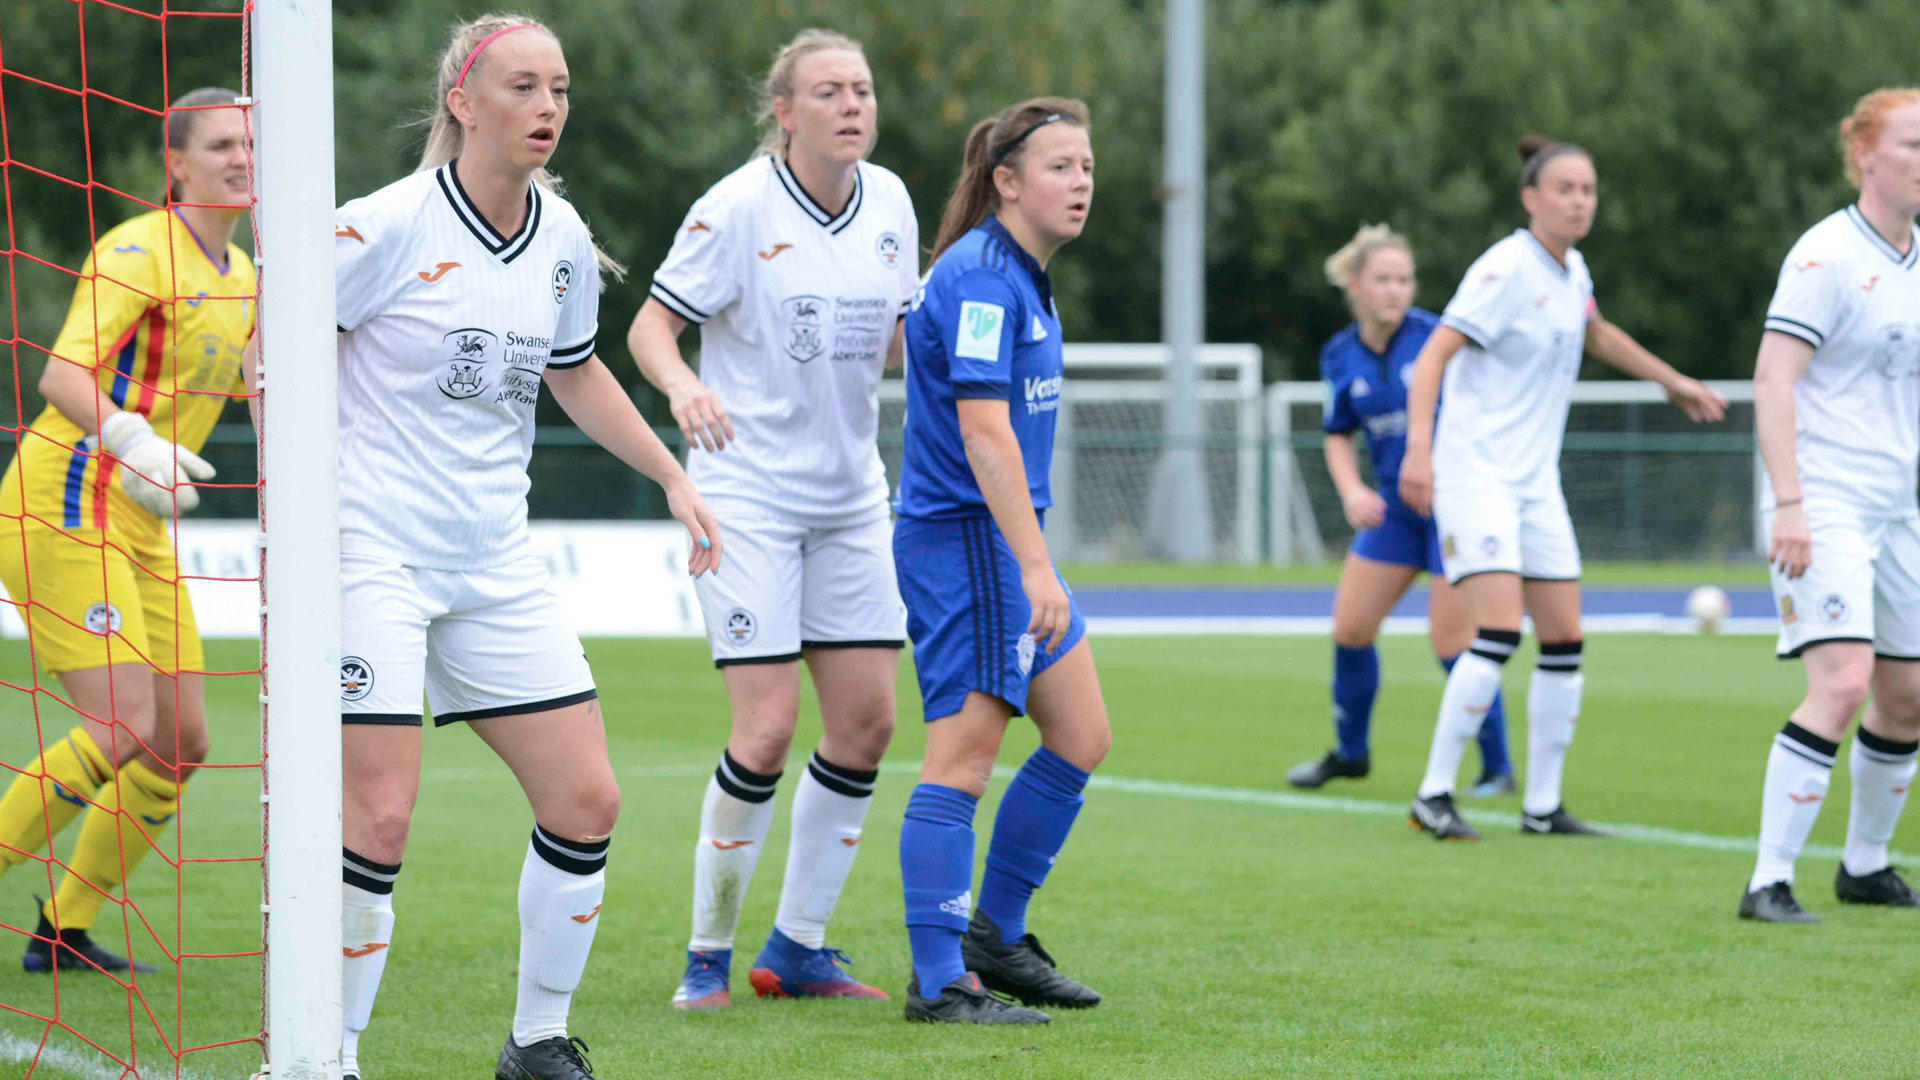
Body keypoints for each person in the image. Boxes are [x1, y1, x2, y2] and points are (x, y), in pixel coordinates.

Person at [291, 16, 721, 1079]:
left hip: (495, 561)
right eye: (523, 86)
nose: (546, 107)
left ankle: (535, 1044)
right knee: (380, 812)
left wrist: (671, 475)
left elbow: (576, 373)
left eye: (560, 89)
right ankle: (334, 1056)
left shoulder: (562, 237)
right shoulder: (380, 226)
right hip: (369, 552)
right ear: (463, 102)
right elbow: (279, 349)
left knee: (587, 799)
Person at [629, 28, 918, 1010]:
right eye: (829, 90)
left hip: (850, 501)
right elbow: (649, 327)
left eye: (863, 90)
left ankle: (798, 948)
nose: (853, 105)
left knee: (869, 723)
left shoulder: (890, 202)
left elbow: (891, 344)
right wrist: (681, 389)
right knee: (765, 729)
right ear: (784, 111)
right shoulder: (737, 207)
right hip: (746, 498)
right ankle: (705, 955)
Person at [1398, 134, 1726, 841]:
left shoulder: (1570, 270)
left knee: (1564, 638)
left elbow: (1596, 333)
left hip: (1534, 483)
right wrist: (1419, 454)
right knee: (1494, 632)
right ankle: (1433, 794)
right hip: (1476, 473)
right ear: (1531, 198)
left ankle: (1542, 807)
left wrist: (1670, 380)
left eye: (1589, 190)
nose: (1580, 201)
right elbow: (1432, 359)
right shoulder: (1507, 267)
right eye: (1566, 189)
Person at [0, 88, 255, 975]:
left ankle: (61, 931)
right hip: (65, 495)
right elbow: (61, 375)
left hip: (140, 520)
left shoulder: (249, 277)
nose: (241, 159)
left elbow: (266, 394)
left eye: (251, 144)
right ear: (177, 164)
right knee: (118, 726)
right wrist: (133, 438)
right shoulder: (141, 249)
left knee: (179, 743)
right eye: (221, 144)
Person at [893, 97, 1108, 1025]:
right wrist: (1034, 566)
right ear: (1007, 181)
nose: (1081, 183)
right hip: (970, 544)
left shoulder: (1018, 273)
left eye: (1087, 167)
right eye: (1060, 167)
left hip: (1000, 545)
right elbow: (984, 434)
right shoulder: (982, 277)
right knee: (962, 760)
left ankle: (995, 938)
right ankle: (940, 981)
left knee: (1081, 735)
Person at [1739, 88, 1920, 923]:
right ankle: (1767, 881)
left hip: (1897, 506)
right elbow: (1774, 379)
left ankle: (1864, 866)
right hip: (1826, 500)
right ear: (1866, 157)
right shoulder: (1824, 257)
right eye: (1914, 145)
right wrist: (1790, 504)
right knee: (1844, 680)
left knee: (1908, 692)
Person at [1286, 224, 1515, 796]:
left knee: (1452, 643)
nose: (1395, 290)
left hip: (1451, 508)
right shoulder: (1340, 353)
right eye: (1383, 279)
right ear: (1356, 286)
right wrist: (1351, 491)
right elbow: (1337, 433)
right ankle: (1351, 754)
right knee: (1351, 629)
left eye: (1404, 279)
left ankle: (1498, 767)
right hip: (1393, 510)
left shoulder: (1438, 338)